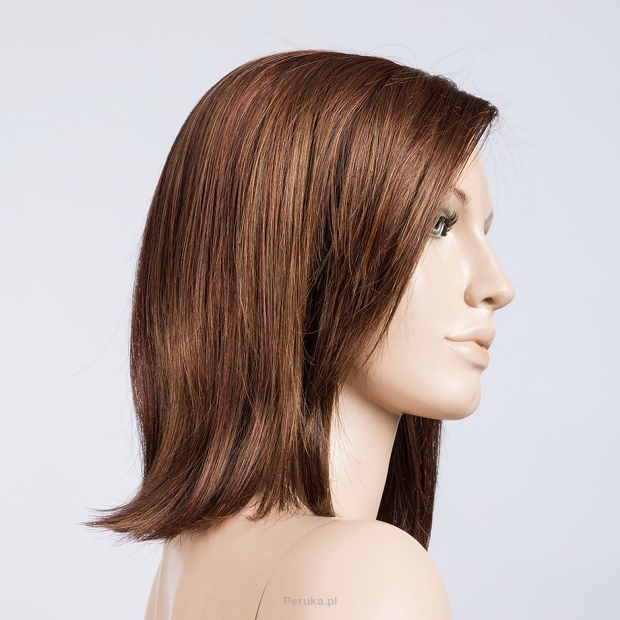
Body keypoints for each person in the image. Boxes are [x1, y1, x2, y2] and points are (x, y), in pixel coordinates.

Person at [84, 49, 515, 619]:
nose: (497, 286)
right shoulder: (366, 576)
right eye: (438, 224)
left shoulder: (188, 560)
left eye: (484, 231)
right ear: (300, 248)